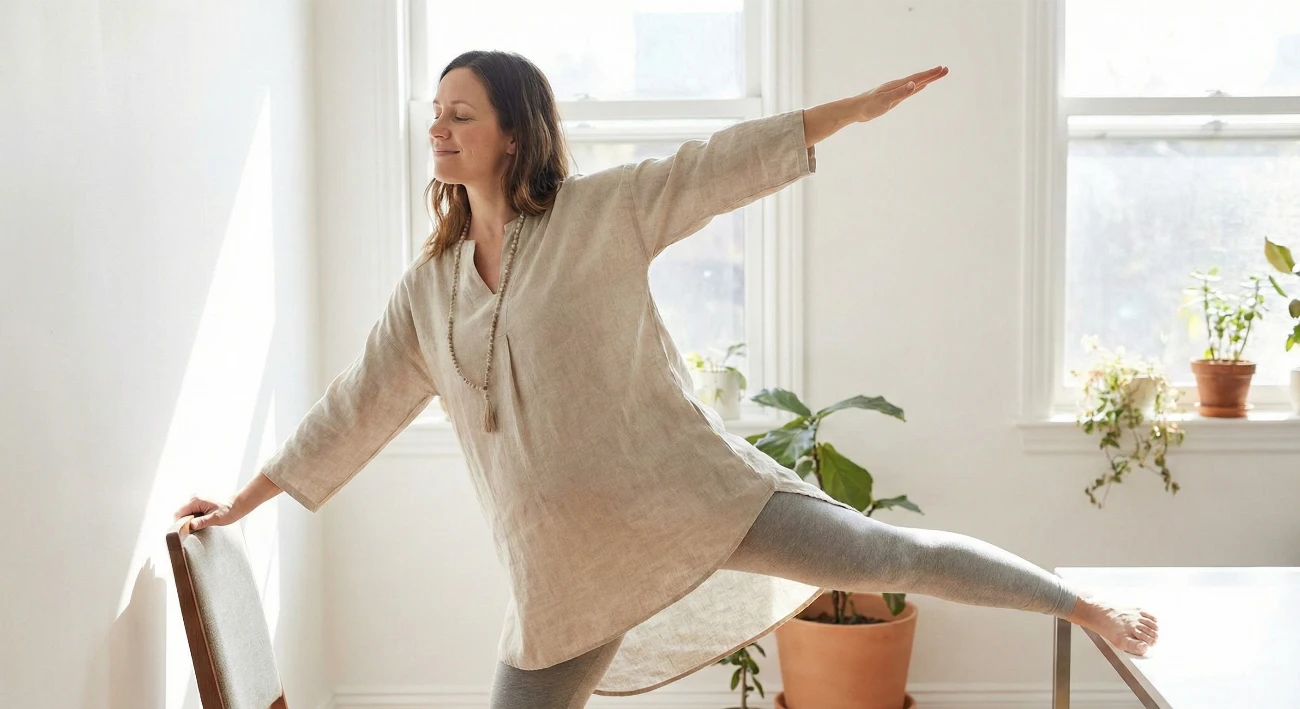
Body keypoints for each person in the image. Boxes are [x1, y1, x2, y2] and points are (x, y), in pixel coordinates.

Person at [174, 50, 1158, 707]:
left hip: (690, 498)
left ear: (511, 131)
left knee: (878, 554)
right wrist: (244, 507)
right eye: (433, 115)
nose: (438, 129)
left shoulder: (603, 213)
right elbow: (355, 407)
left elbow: (718, 163)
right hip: (560, 569)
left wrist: (847, 113)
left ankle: (1078, 605)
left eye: (460, 114)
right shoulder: (428, 291)